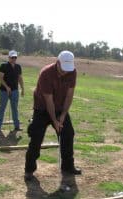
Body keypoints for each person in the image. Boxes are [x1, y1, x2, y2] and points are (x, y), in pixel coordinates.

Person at [24, 50, 81, 182]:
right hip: (42, 108)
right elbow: (48, 100)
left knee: (68, 134)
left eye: (68, 69)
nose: (65, 72)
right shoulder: (46, 73)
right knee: (36, 138)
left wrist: (63, 115)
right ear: (58, 62)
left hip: (60, 108)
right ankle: (29, 170)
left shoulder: (72, 72)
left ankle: (67, 167)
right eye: (63, 68)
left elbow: (69, 95)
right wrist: (54, 121)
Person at [0, 50, 24, 132]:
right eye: (12, 57)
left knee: (15, 108)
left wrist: (22, 88)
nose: (14, 59)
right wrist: (7, 87)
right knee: (2, 108)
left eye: (15, 57)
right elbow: (0, 78)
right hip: (4, 91)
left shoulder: (18, 67)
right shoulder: (3, 66)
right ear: (9, 57)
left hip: (15, 90)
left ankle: (17, 126)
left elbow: (20, 78)